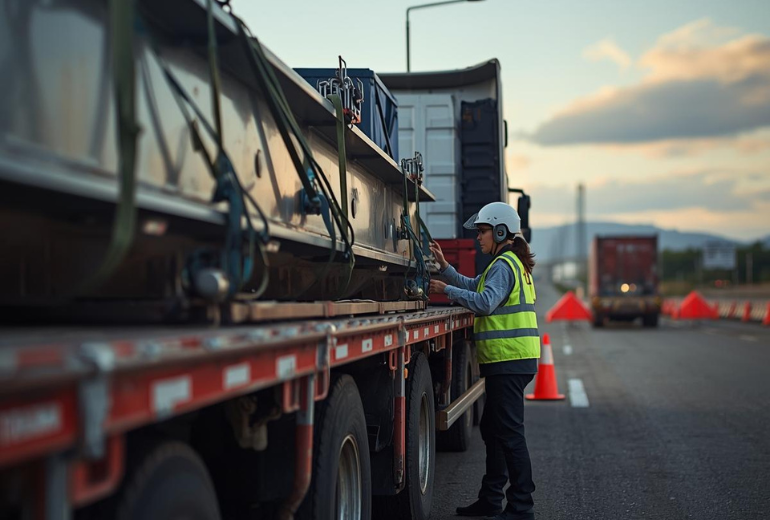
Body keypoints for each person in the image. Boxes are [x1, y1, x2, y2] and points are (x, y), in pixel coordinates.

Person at [429, 202, 539, 520]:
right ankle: (491, 499)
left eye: (482, 231)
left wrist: (446, 288)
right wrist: (445, 268)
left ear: (500, 231)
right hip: (511, 360)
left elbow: (485, 302)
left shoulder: (504, 264)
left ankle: (521, 506)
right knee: (493, 429)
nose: (479, 238)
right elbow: (477, 286)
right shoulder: (506, 263)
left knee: (509, 434)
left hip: (510, 360)